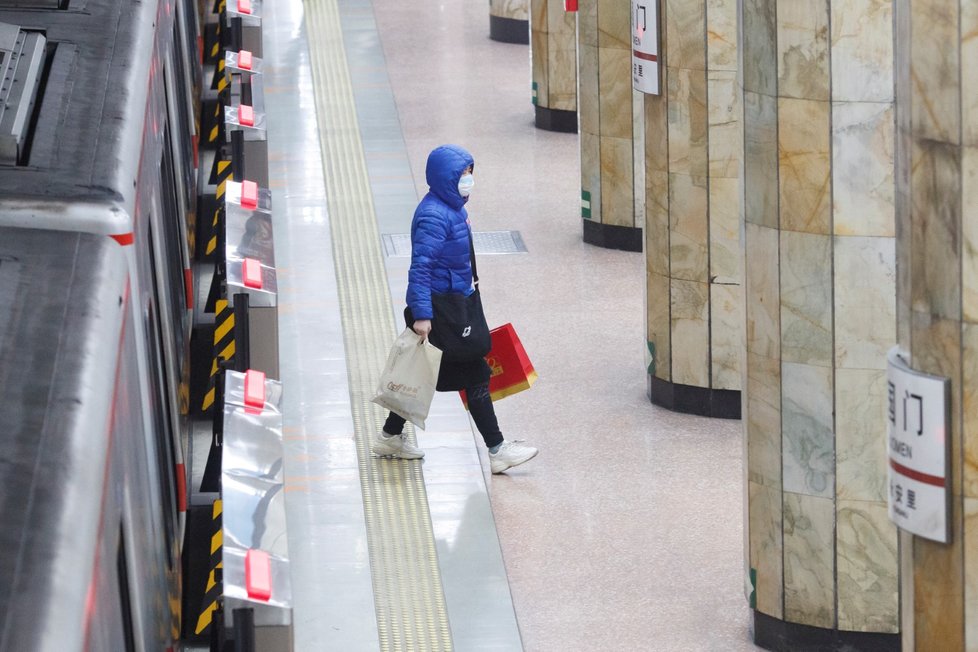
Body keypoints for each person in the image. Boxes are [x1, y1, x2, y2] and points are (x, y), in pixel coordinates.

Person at [372, 144, 538, 474]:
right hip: (439, 310)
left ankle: (390, 436)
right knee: (474, 372)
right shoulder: (435, 215)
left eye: (470, 174)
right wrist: (422, 315)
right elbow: (420, 266)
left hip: (452, 305)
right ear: (445, 178)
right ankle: (497, 448)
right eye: (462, 175)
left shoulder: (452, 208)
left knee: (421, 373)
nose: (468, 180)